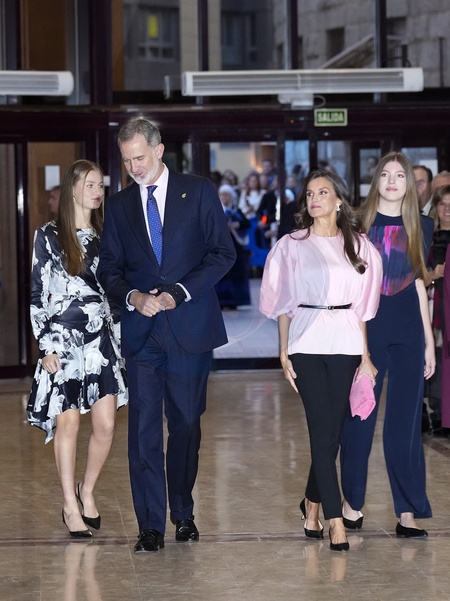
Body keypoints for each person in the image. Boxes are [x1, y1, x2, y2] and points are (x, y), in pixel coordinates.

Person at [97, 117, 236, 553]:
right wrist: (133, 296)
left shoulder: (198, 191)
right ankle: (150, 525)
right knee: (142, 432)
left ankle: (183, 511)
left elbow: (223, 253)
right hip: (142, 335)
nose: (134, 167)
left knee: (186, 424)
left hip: (189, 328)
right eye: (126, 161)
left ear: (159, 150)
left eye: (139, 157)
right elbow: (109, 269)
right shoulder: (119, 206)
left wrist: (179, 292)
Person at [259, 168, 382, 552]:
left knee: (332, 434)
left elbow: (362, 310)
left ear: (339, 199)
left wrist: (365, 356)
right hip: (306, 342)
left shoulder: (360, 246)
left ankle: (311, 504)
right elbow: (282, 303)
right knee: (320, 430)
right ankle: (335, 520)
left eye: (323, 192)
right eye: (310, 193)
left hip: (345, 342)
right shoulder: (291, 245)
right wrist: (283, 351)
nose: (314, 199)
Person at [28, 160, 128, 538]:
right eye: (90, 185)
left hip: (100, 340)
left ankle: (86, 490)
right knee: (67, 422)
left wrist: (120, 342)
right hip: (62, 342)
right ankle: (70, 506)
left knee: (106, 425)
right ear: (72, 190)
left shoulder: (108, 235)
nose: (98, 192)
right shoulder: (48, 236)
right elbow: (37, 293)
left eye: (100, 185)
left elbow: (115, 292)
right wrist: (45, 347)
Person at [340, 151, 435, 539]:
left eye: (400, 175)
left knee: (406, 424)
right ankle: (352, 503)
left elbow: (419, 282)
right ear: (376, 181)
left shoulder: (423, 225)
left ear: (409, 184)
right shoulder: (358, 224)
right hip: (368, 329)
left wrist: (428, 343)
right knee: (359, 418)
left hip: (409, 329)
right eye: (386, 174)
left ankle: (408, 512)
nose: (393, 181)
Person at [425, 185, 450, 435]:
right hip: (435, 308)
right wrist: (433, 274)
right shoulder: (427, 238)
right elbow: (416, 276)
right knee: (437, 361)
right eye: (443, 204)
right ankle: (439, 416)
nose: (447, 209)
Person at [216, 184, 251, 309]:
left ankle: (234, 301)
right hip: (220, 248)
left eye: (227, 195)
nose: (224, 197)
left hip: (236, 249)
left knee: (235, 275)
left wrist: (237, 224)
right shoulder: (216, 210)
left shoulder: (236, 211)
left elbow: (246, 223)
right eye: (222, 195)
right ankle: (221, 302)